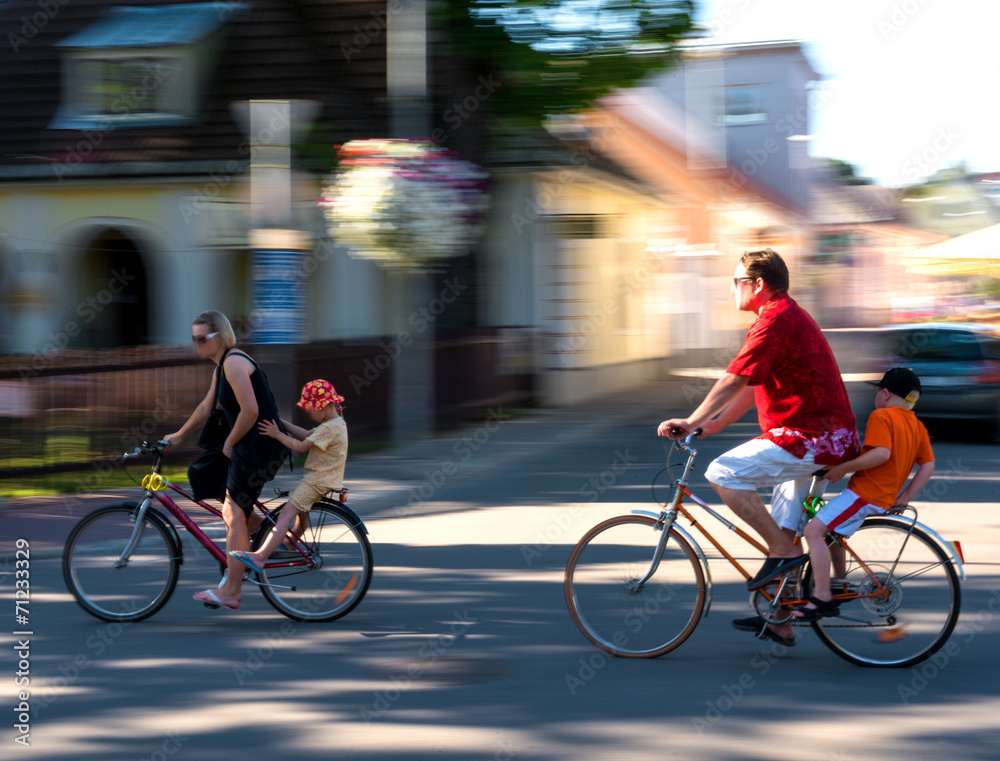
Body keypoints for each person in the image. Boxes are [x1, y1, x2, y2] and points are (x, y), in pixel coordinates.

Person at [657, 248, 860, 645]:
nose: (732, 290)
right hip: (822, 439)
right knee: (785, 522)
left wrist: (690, 421)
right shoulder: (782, 316)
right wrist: (710, 427)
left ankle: (783, 552)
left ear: (758, 285)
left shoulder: (775, 320)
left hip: (812, 439)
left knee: (722, 472)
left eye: (736, 282)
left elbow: (732, 381)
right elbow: (751, 390)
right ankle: (782, 617)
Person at [163, 311, 288, 611]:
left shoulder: (233, 362)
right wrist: (179, 434)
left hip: (259, 446)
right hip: (251, 443)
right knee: (215, 484)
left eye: (201, 338)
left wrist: (230, 442)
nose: (196, 344)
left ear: (219, 337)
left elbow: (250, 411)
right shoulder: (221, 367)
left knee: (232, 513)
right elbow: (207, 407)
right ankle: (264, 535)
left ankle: (232, 590)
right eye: (192, 338)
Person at [794, 368, 934, 621]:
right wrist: (904, 497)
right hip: (883, 498)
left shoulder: (881, 416)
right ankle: (837, 582)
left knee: (812, 531)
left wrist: (842, 469)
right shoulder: (917, 426)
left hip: (864, 496)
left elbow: (881, 453)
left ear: (885, 393)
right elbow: (928, 465)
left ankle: (822, 597)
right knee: (830, 531)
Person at [229, 379, 348, 574]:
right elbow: (306, 435)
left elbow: (301, 447)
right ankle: (291, 544)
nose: (308, 412)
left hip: (316, 482)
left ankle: (260, 557)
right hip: (323, 481)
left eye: (310, 408)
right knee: (302, 513)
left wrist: (277, 434)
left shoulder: (330, 428)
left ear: (323, 405)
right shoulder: (336, 424)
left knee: (285, 515)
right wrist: (281, 423)